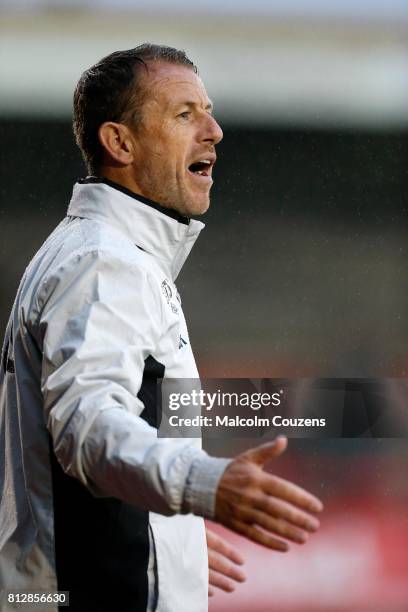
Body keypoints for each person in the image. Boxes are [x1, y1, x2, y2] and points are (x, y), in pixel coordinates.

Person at [0, 44, 323, 612]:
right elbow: (89, 428)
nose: (215, 130)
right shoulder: (105, 265)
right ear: (119, 142)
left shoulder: (105, 255)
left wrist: (167, 538)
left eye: (208, 110)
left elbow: (75, 451)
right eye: (184, 114)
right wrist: (204, 484)